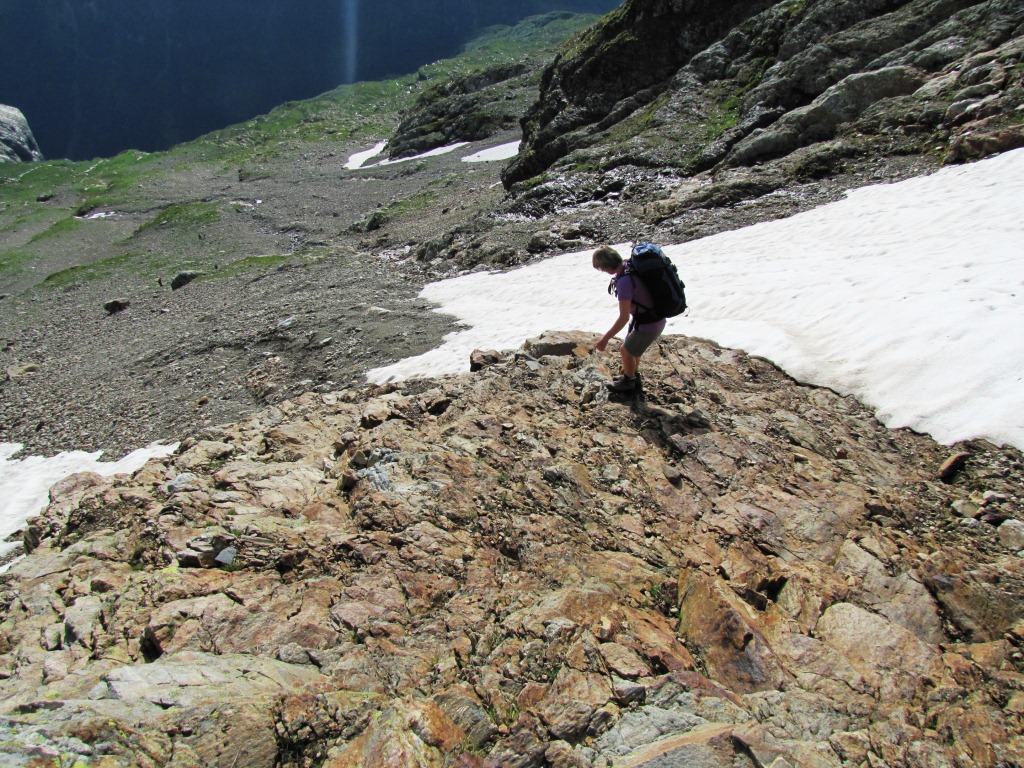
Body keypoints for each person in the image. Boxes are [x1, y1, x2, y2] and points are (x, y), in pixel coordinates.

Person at [592, 244, 666, 392]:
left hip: (648, 323)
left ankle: (629, 383)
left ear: (606, 267)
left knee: (626, 351)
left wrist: (605, 339)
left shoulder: (624, 282)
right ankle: (632, 377)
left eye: (601, 268)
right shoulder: (629, 266)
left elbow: (623, 317)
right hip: (653, 318)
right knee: (633, 350)